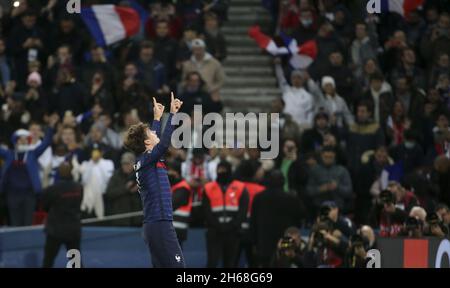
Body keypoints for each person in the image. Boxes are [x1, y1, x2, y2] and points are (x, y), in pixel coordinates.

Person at [124, 93, 184, 268]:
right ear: (146, 143)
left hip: (156, 224)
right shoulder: (148, 159)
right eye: (150, 131)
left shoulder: (146, 159)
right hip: (160, 224)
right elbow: (164, 144)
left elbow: (155, 142)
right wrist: (172, 114)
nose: (153, 131)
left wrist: (157, 118)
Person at [0, 116, 58, 226]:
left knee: (28, 223)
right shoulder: (9, 154)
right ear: (15, 141)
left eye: (26, 139)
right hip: (12, 195)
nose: (23, 141)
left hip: (29, 195)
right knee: (15, 224)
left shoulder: (32, 154)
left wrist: (50, 127)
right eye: (21, 139)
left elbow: (46, 143)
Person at [250, 170, 302, 268]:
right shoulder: (291, 198)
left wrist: (254, 242)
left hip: (264, 243)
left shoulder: (258, 198)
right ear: (283, 182)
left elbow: (253, 222)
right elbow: (298, 221)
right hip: (286, 243)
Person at [202, 161, 249, 268]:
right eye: (219, 169)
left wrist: (232, 226)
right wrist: (218, 226)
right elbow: (206, 211)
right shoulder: (209, 188)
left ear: (230, 170)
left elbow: (243, 211)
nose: (221, 172)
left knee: (230, 264)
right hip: (214, 232)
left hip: (233, 232)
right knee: (212, 263)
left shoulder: (240, 187)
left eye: (224, 169)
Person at [42, 162, 83, 268]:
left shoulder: (53, 189)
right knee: (76, 263)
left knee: (48, 261)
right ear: (71, 172)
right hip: (73, 230)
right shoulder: (79, 187)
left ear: (59, 173)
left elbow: (44, 207)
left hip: (55, 230)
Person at [306, 147, 353, 214]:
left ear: (335, 157)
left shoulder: (342, 171)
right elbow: (309, 190)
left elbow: (348, 191)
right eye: (325, 157)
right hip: (318, 207)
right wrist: (320, 189)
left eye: (331, 157)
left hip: (337, 207)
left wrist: (337, 187)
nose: (328, 159)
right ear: (321, 157)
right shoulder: (314, 170)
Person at [104, 152, 142, 226]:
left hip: (137, 219)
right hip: (121, 219)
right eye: (123, 164)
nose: (125, 166)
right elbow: (109, 193)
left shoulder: (140, 175)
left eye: (128, 164)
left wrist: (139, 188)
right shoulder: (116, 176)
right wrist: (126, 189)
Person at [168, 161, 193, 248]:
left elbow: (171, 204)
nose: (168, 173)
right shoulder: (173, 187)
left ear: (177, 173)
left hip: (177, 229)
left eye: (171, 171)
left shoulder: (183, 188)